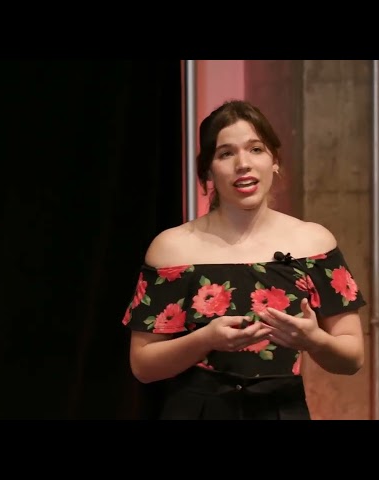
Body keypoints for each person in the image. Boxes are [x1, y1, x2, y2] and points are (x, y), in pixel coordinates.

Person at [121, 99, 366, 420]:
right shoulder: (173, 248)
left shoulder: (313, 243)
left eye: (256, 149)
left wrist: (313, 339)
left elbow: (352, 358)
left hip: (281, 408)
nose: (243, 164)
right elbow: (143, 366)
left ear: (274, 160)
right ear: (208, 170)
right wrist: (206, 339)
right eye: (226, 153)